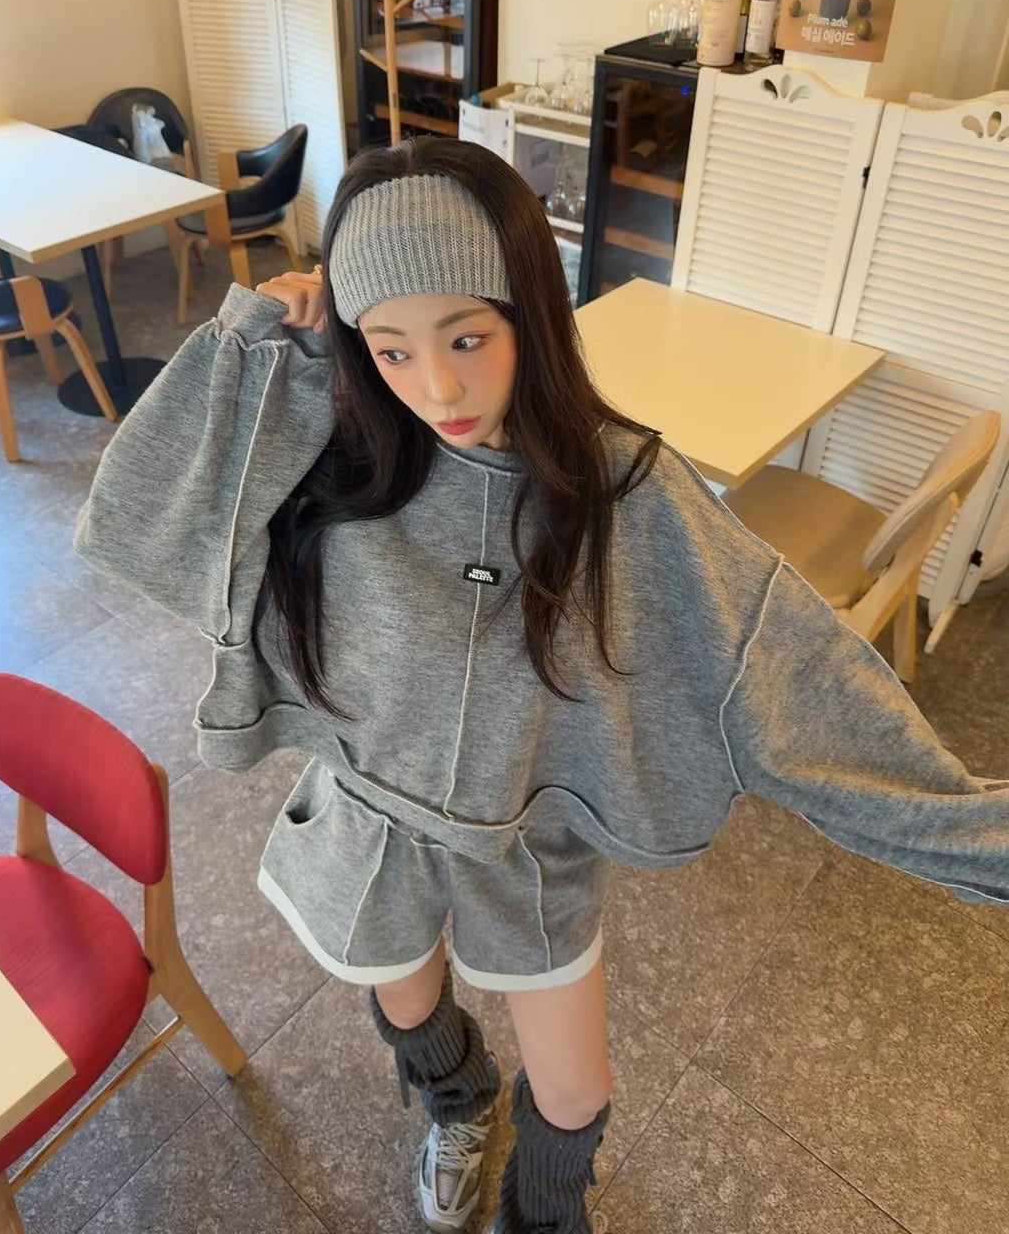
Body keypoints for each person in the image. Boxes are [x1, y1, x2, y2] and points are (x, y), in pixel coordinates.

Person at [76, 136, 1009, 1234]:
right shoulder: (333, 449)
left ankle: (546, 1219)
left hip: (526, 845)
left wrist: (981, 844)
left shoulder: (625, 494)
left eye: (467, 338)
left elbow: (799, 679)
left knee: (573, 1091)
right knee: (407, 1005)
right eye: (390, 348)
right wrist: (246, 352)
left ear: (530, 310)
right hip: (372, 823)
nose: (438, 388)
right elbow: (139, 525)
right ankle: (458, 1106)